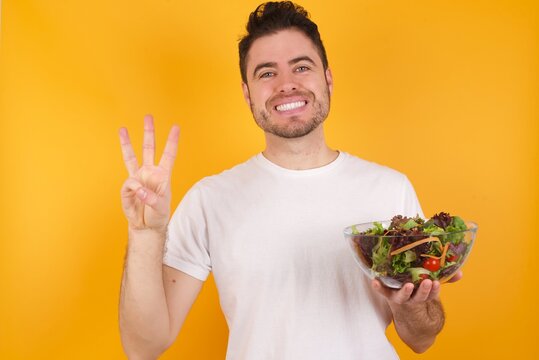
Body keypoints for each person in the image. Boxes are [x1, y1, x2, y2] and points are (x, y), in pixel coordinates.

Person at [118, 2, 460, 359]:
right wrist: (145, 234)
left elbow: (422, 339)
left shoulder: (390, 189)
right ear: (247, 93)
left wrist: (410, 306)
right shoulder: (210, 199)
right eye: (267, 74)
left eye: (301, 66)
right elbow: (143, 347)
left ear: (327, 78)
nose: (286, 85)